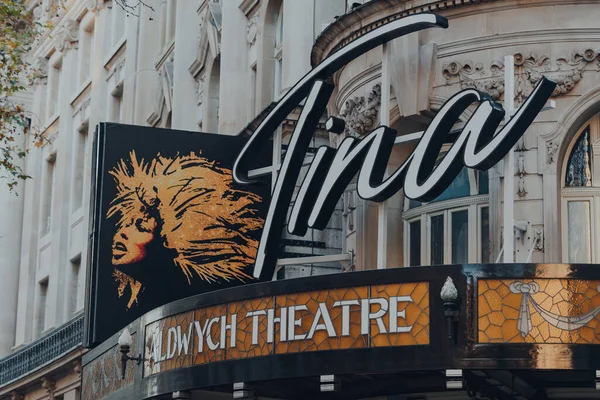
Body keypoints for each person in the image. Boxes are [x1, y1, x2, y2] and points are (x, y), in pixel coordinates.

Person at [106, 150, 264, 308]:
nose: (123, 233)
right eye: (128, 224)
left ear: (168, 241)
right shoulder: (139, 300)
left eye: (141, 227)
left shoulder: (194, 291)